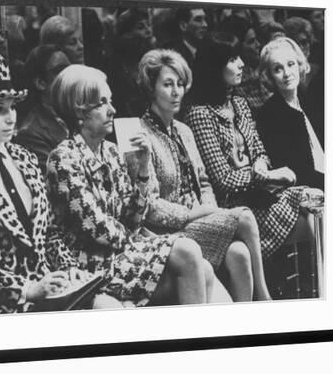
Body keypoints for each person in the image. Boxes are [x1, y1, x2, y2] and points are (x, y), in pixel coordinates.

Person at [0, 49, 118, 313]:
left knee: (111, 309)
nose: (11, 117)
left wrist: (68, 269)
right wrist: (26, 289)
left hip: (53, 289)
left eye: (12, 107)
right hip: (2, 306)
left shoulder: (24, 158)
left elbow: (50, 231)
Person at [46, 64, 217, 307]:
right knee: (188, 252)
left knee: (205, 268)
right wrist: (137, 240)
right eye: (101, 103)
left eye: (110, 101)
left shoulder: (111, 151)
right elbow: (96, 229)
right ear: (79, 112)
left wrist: (144, 169)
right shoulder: (64, 158)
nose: (112, 110)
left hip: (123, 253)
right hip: (92, 263)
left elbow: (134, 219)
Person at [131, 49, 270, 301]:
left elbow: (204, 182)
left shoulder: (184, 130)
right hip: (166, 233)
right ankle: (264, 297)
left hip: (200, 223)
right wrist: (196, 214)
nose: (176, 92)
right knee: (245, 216)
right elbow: (150, 206)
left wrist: (210, 210)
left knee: (239, 252)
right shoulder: (140, 135)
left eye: (181, 84)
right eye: (168, 84)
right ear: (151, 88)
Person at [185, 32, 314, 261]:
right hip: (233, 205)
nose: (242, 64)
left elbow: (259, 151)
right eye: (233, 59)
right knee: (314, 218)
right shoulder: (200, 114)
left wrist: (262, 166)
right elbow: (223, 179)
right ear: (215, 68)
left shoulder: (240, 103)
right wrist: (265, 177)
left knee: (316, 199)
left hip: (259, 193)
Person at [256, 38, 324, 190]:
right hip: (307, 193)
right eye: (278, 69)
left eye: (291, 64)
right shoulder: (269, 115)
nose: (287, 73)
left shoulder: (311, 100)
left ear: (299, 65)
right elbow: (297, 173)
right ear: (270, 75)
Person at [14, 44, 71, 174]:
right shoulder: (31, 133)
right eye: (60, 70)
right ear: (40, 83)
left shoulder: (80, 113)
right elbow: (60, 180)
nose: (70, 75)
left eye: (71, 69)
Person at [220, 15, 271, 115]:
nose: (258, 45)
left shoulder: (261, 71)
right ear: (237, 47)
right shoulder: (235, 82)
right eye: (251, 42)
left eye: (256, 40)